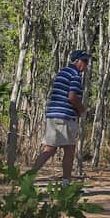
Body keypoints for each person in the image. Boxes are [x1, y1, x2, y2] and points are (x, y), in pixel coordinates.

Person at [30, 49, 89, 186]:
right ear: (77, 61)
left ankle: (28, 177)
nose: (86, 65)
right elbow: (72, 97)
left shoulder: (63, 72)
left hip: (53, 114)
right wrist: (82, 109)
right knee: (69, 149)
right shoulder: (75, 75)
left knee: (49, 148)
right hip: (65, 117)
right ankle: (66, 183)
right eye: (85, 61)